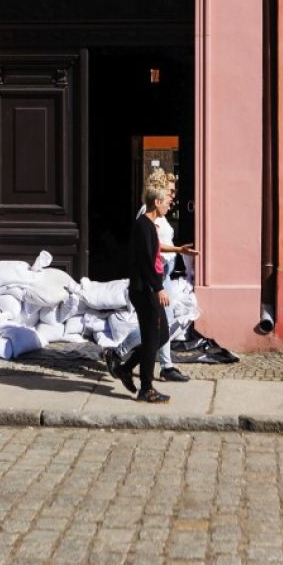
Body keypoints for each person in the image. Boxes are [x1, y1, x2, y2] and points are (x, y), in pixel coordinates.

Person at [106, 182, 173, 403]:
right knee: (153, 337)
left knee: (161, 335)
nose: (169, 206)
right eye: (166, 202)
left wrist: (179, 250)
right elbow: (146, 262)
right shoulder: (143, 226)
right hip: (144, 290)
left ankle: (126, 368)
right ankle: (146, 388)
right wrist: (159, 288)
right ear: (156, 202)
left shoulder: (149, 226)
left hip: (148, 289)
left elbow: (152, 253)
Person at [130, 168, 197, 381]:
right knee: (155, 328)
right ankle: (125, 357)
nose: (172, 197)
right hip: (154, 278)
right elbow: (148, 254)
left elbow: (157, 245)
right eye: (169, 191)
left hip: (161, 273)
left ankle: (164, 367)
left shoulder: (160, 217)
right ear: (157, 197)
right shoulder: (146, 219)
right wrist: (157, 287)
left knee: (160, 327)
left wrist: (179, 250)